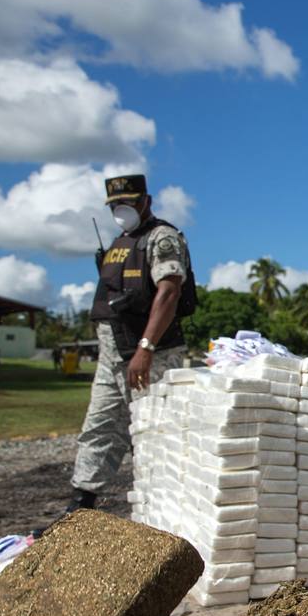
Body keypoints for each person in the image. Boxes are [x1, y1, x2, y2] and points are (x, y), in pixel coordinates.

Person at [69, 174, 196, 511]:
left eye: (127, 203)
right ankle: (80, 506)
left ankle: (159, 505)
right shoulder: (120, 243)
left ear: (146, 201)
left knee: (151, 429)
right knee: (99, 425)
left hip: (150, 352)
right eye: (115, 205)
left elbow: (169, 292)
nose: (121, 210)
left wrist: (145, 348)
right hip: (112, 355)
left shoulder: (162, 238)